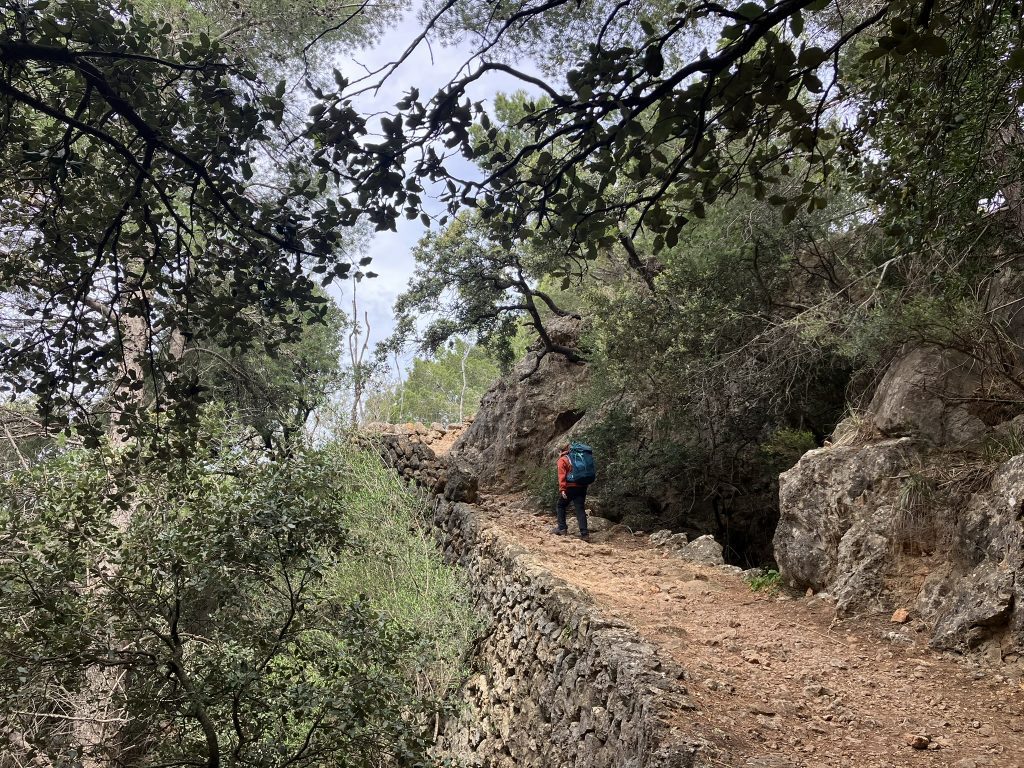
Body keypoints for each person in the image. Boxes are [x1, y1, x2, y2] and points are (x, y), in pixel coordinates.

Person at [551, 442, 589, 540]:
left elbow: (562, 476)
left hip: (570, 487)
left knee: (561, 505)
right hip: (582, 486)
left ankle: (562, 528)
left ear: (560, 451)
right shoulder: (578, 456)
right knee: (580, 508)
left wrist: (562, 489)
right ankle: (585, 534)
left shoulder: (563, 460)